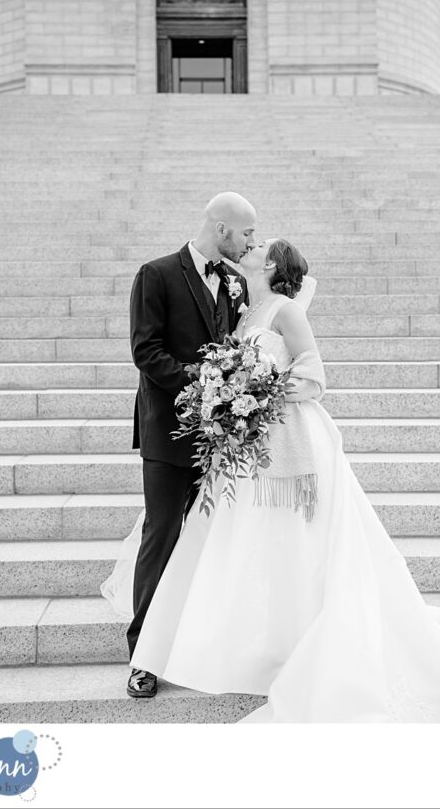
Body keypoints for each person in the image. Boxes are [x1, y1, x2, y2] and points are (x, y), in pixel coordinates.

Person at [102, 239, 440, 721]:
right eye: (250, 238)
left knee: (293, 543)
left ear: (273, 265)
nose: (251, 245)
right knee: (242, 541)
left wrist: (261, 393)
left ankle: (294, 643)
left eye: (259, 245)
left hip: (287, 439)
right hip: (247, 444)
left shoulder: (287, 311)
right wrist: (230, 393)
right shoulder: (245, 309)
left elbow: (314, 374)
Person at [124, 192, 253, 697]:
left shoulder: (238, 284)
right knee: (161, 536)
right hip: (167, 432)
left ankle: (196, 645)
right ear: (222, 229)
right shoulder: (155, 275)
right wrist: (202, 384)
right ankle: (143, 656)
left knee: (211, 542)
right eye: (246, 233)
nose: (251, 243)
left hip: (219, 438)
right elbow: (146, 351)